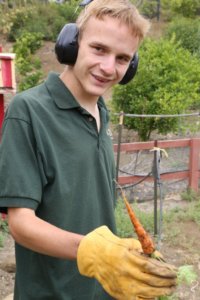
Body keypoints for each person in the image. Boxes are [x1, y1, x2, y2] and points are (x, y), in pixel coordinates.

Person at [0, 0, 177, 299]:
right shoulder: (29, 110)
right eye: (99, 49)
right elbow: (21, 224)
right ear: (71, 44)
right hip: (52, 293)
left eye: (123, 58)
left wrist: (121, 254)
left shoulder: (102, 112)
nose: (109, 67)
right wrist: (93, 250)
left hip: (105, 289)